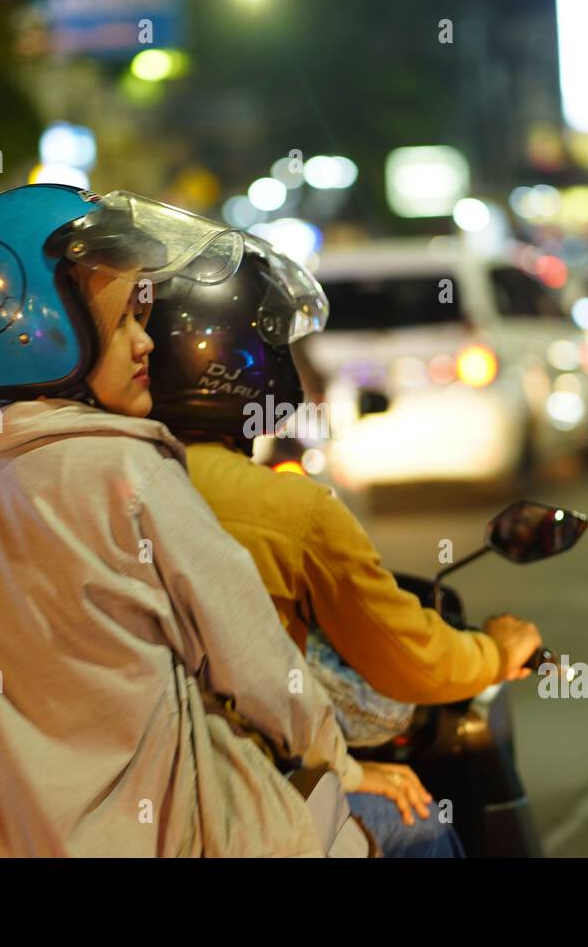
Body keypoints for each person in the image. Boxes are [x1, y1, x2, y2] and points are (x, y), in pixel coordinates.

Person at [0, 184, 406, 857]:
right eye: (125, 319)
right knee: (412, 830)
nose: (145, 344)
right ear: (46, 325)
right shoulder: (127, 474)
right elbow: (259, 667)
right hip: (162, 840)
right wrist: (342, 760)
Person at [145, 235, 545, 857]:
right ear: (244, 363)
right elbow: (405, 658)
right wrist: (496, 650)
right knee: (418, 827)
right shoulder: (289, 508)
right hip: (224, 806)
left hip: (102, 801)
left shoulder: (85, 486)